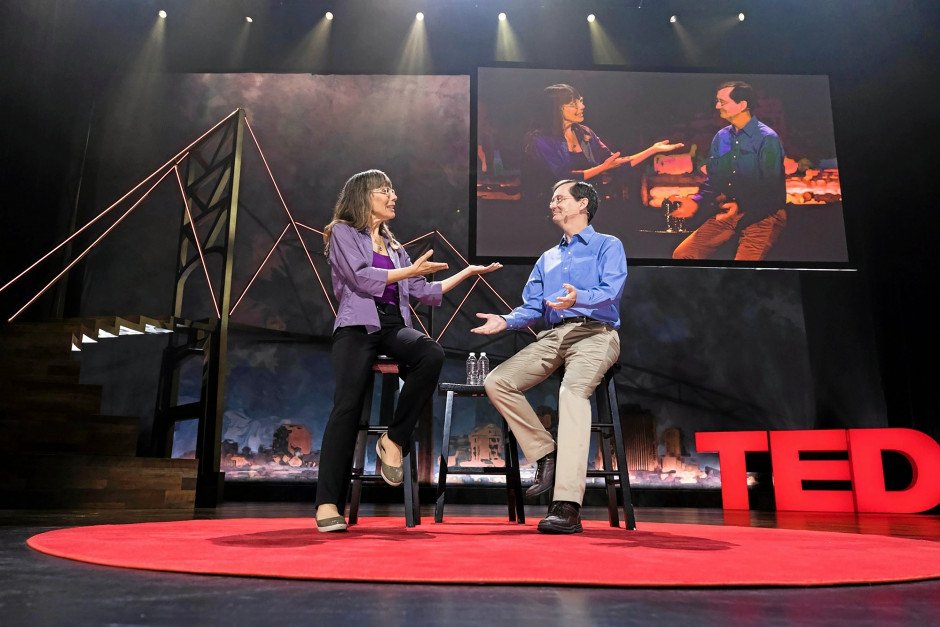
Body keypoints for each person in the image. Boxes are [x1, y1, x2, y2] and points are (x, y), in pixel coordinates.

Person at [315, 169, 501, 532]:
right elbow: (360, 277)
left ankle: (394, 439)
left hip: (391, 326)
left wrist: (467, 273)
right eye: (385, 190)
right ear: (364, 196)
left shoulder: (396, 248)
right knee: (347, 407)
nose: (393, 195)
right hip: (357, 325)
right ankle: (326, 502)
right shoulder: (342, 231)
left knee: (430, 354)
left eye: (392, 188)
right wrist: (408, 272)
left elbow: (424, 291)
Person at [474, 179, 626, 534]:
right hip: (554, 335)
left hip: (596, 332)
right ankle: (546, 454)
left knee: (572, 393)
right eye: (552, 199)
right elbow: (532, 307)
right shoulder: (548, 258)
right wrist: (506, 320)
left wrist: (579, 298)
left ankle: (567, 505)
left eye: (559, 199)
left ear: (583, 203)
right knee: (498, 381)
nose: (552, 205)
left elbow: (611, 292)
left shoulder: (608, 245)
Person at [669, 81, 787, 261]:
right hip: (730, 211)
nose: (717, 106)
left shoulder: (767, 138)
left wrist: (741, 205)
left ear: (742, 105)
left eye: (722, 102)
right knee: (683, 254)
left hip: (763, 214)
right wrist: (696, 201)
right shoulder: (721, 136)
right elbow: (714, 179)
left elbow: (770, 187)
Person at [523, 83, 683, 206]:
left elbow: (614, 163)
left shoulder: (585, 133)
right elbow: (563, 176)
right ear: (555, 109)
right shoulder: (540, 140)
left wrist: (652, 150)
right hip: (554, 212)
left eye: (580, 101)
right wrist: (602, 168)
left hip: (588, 208)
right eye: (573, 104)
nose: (581, 107)